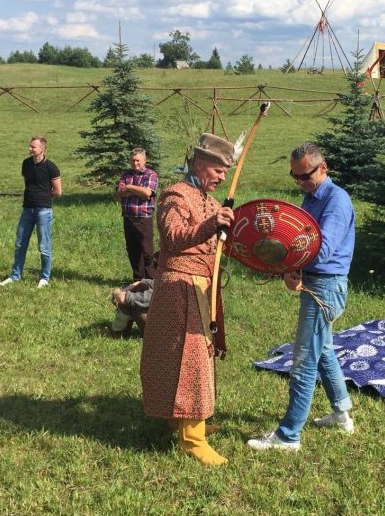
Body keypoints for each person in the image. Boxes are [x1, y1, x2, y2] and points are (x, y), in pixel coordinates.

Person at [247, 142, 356, 453]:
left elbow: (321, 250)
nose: (300, 182)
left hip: (326, 287)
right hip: (315, 282)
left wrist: (290, 264)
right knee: (323, 351)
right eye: (294, 177)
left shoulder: (336, 201)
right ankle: (341, 413)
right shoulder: (310, 198)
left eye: (304, 176)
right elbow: (300, 241)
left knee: (304, 360)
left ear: (324, 168)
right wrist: (289, 269)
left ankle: (289, 435)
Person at [140, 133, 236, 467]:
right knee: (188, 359)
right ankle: (192, 439)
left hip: (200, 286)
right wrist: (212, 224)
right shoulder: (175, 194)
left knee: (196, 357)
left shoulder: (208, 199)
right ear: (200, 163)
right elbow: (173, 237)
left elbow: (213, 242)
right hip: (179, 286)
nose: (222, 177)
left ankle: (188, 420)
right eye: (219, 169)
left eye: (226, 172)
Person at [0, 136, 62, 289]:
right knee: (20, 243)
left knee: (44, 246)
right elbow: (28, 183)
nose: (30, 149)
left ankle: (44, 278)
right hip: (27, 209)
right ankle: (15, 275)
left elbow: (58, 191)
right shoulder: (26, 164)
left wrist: (44, 197)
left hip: (43, 211)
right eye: (30, 146)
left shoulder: (51, 167)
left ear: (42, 149)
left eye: (33, 147)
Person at [117, 148, 158, 281]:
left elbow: (147, 193)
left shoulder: (151, 175)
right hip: (128, 218)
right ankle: (138, 279)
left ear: (144, 160)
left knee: (147, 252)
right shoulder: (126, 174)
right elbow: (120, 192)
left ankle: (151, 281)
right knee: (133, 250)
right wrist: (138, 190)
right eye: (132, 160)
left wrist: (129, 187)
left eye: (138, 160)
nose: (135, 163)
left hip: (143, 219)